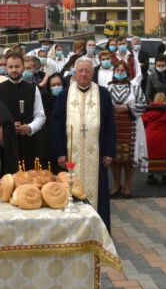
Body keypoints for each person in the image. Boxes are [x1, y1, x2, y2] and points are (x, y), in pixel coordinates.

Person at [50, 56, 117, 230]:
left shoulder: (103, 94)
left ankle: (99, 230)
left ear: (93, 73)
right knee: (70, 191)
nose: (84, 74)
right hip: (72, 156)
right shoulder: (65, 94)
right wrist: (60, 152)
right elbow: (56, 125)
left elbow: (110, 124)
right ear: (75, 72)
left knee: (99, 193)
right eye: (81, 71)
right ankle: (73, 229)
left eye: (88, 71)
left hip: (97, 154)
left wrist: (109, 151)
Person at [0, 52, 46, 169]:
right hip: (6, 143)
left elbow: (40, 115)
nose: (14, 70)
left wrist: (30, 127)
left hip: (28, 142)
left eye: (17, 66)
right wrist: (9, 126)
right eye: (10, 67)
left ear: (22, 67)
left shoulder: (33, 89)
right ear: (6, 68)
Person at [108, 61, 147, 198]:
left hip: (132, 125)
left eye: (122, 70)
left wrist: (127, 108)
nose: (119, 72)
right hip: (114, 125)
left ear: (127, 71)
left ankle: (128, 185)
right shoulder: (108, 88)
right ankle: (117, 184)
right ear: (114, 72)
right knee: (115, 157)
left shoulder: (135, 87)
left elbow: (143, 103)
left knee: (129, 158)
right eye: (117, 70)